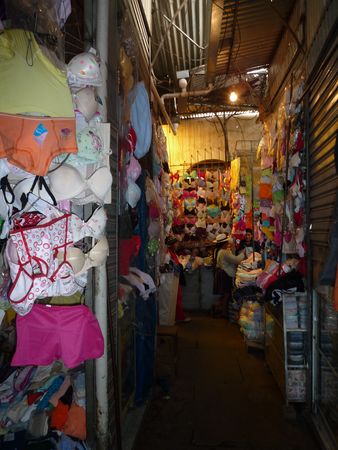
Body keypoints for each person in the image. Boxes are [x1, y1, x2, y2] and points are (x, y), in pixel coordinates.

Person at [212, 234, 245, 318]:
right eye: (226, 242)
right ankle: (224, 312)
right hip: (225, 274)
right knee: (226, 294)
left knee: (224, 294)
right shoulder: (224, 252)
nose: (228, 243)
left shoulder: (218, 250)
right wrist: (242, 254)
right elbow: (236, 260)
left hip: (221, 273)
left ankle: (219, 308)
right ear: (223, 243)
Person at [165, 236, 191, 323]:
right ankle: (178, 317)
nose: (177, 245)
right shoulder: (168, 253)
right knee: (175, 299)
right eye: (175, 243)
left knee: (177, 298)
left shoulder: (172, 252)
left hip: (174, 279)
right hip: (171, 279)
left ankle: (176, 317)